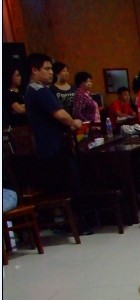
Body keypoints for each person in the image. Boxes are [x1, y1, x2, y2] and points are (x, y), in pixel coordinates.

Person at [23, 53, 83, 194]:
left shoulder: (32, 89)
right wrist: (75, 123)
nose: (51, 72)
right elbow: (60, 114)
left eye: (51, 69)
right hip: (52, 147)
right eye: (47, 69)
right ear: (34, 70)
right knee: (69, 186)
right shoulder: (39, 90)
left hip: (48, 146)